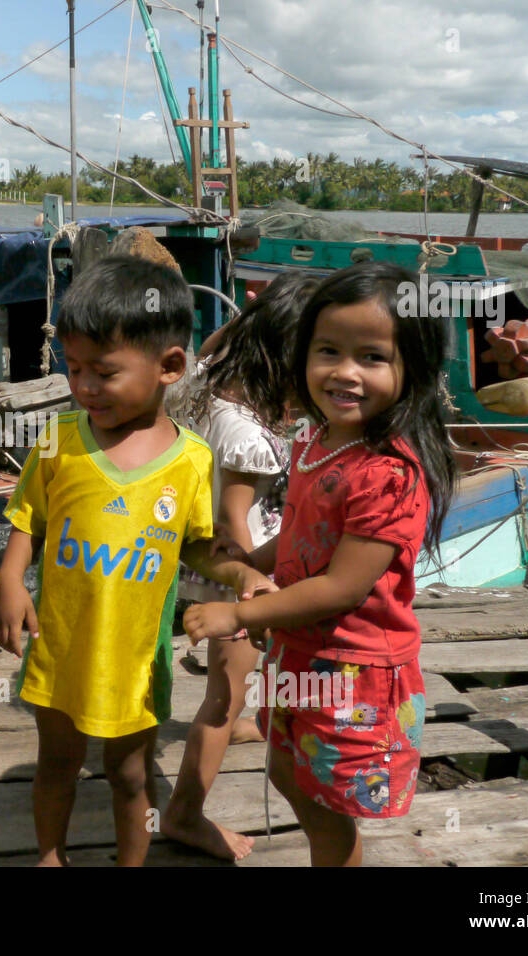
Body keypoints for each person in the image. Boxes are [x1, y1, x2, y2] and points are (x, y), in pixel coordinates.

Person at [184, 261, 456, 866]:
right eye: (328, 350)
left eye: (372, 357)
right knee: (288, 772)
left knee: (331, 808)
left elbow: (341, 587)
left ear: (412, 369)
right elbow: (301, 537)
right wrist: (248, 563)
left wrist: (237, 612)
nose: (345, 372)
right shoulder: (315, 440)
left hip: (354, 673)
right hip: (301, 654)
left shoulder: (389, 473)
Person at [0, 255, 256, 866]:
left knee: (131, 774)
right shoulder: (59, 436)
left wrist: (237, 571)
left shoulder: (192, 459)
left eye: (102, 372)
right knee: (57, 763)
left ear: (169, 367)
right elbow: (29, 517)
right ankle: (50, 855)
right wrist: (10, 579)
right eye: (74, 367)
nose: (83, 386)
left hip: (136, 658)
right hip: (60, 646)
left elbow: (192, 545)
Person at [163, 272, 319, 861]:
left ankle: (250, 719)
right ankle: (183, 814)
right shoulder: (246, 430)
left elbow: (213, 344)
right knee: (222, 697)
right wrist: (254, 591)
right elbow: (235, 521)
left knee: (239, 685)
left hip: (207, 558)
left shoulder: (209, 375)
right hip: (239, 566)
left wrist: (253, 315)